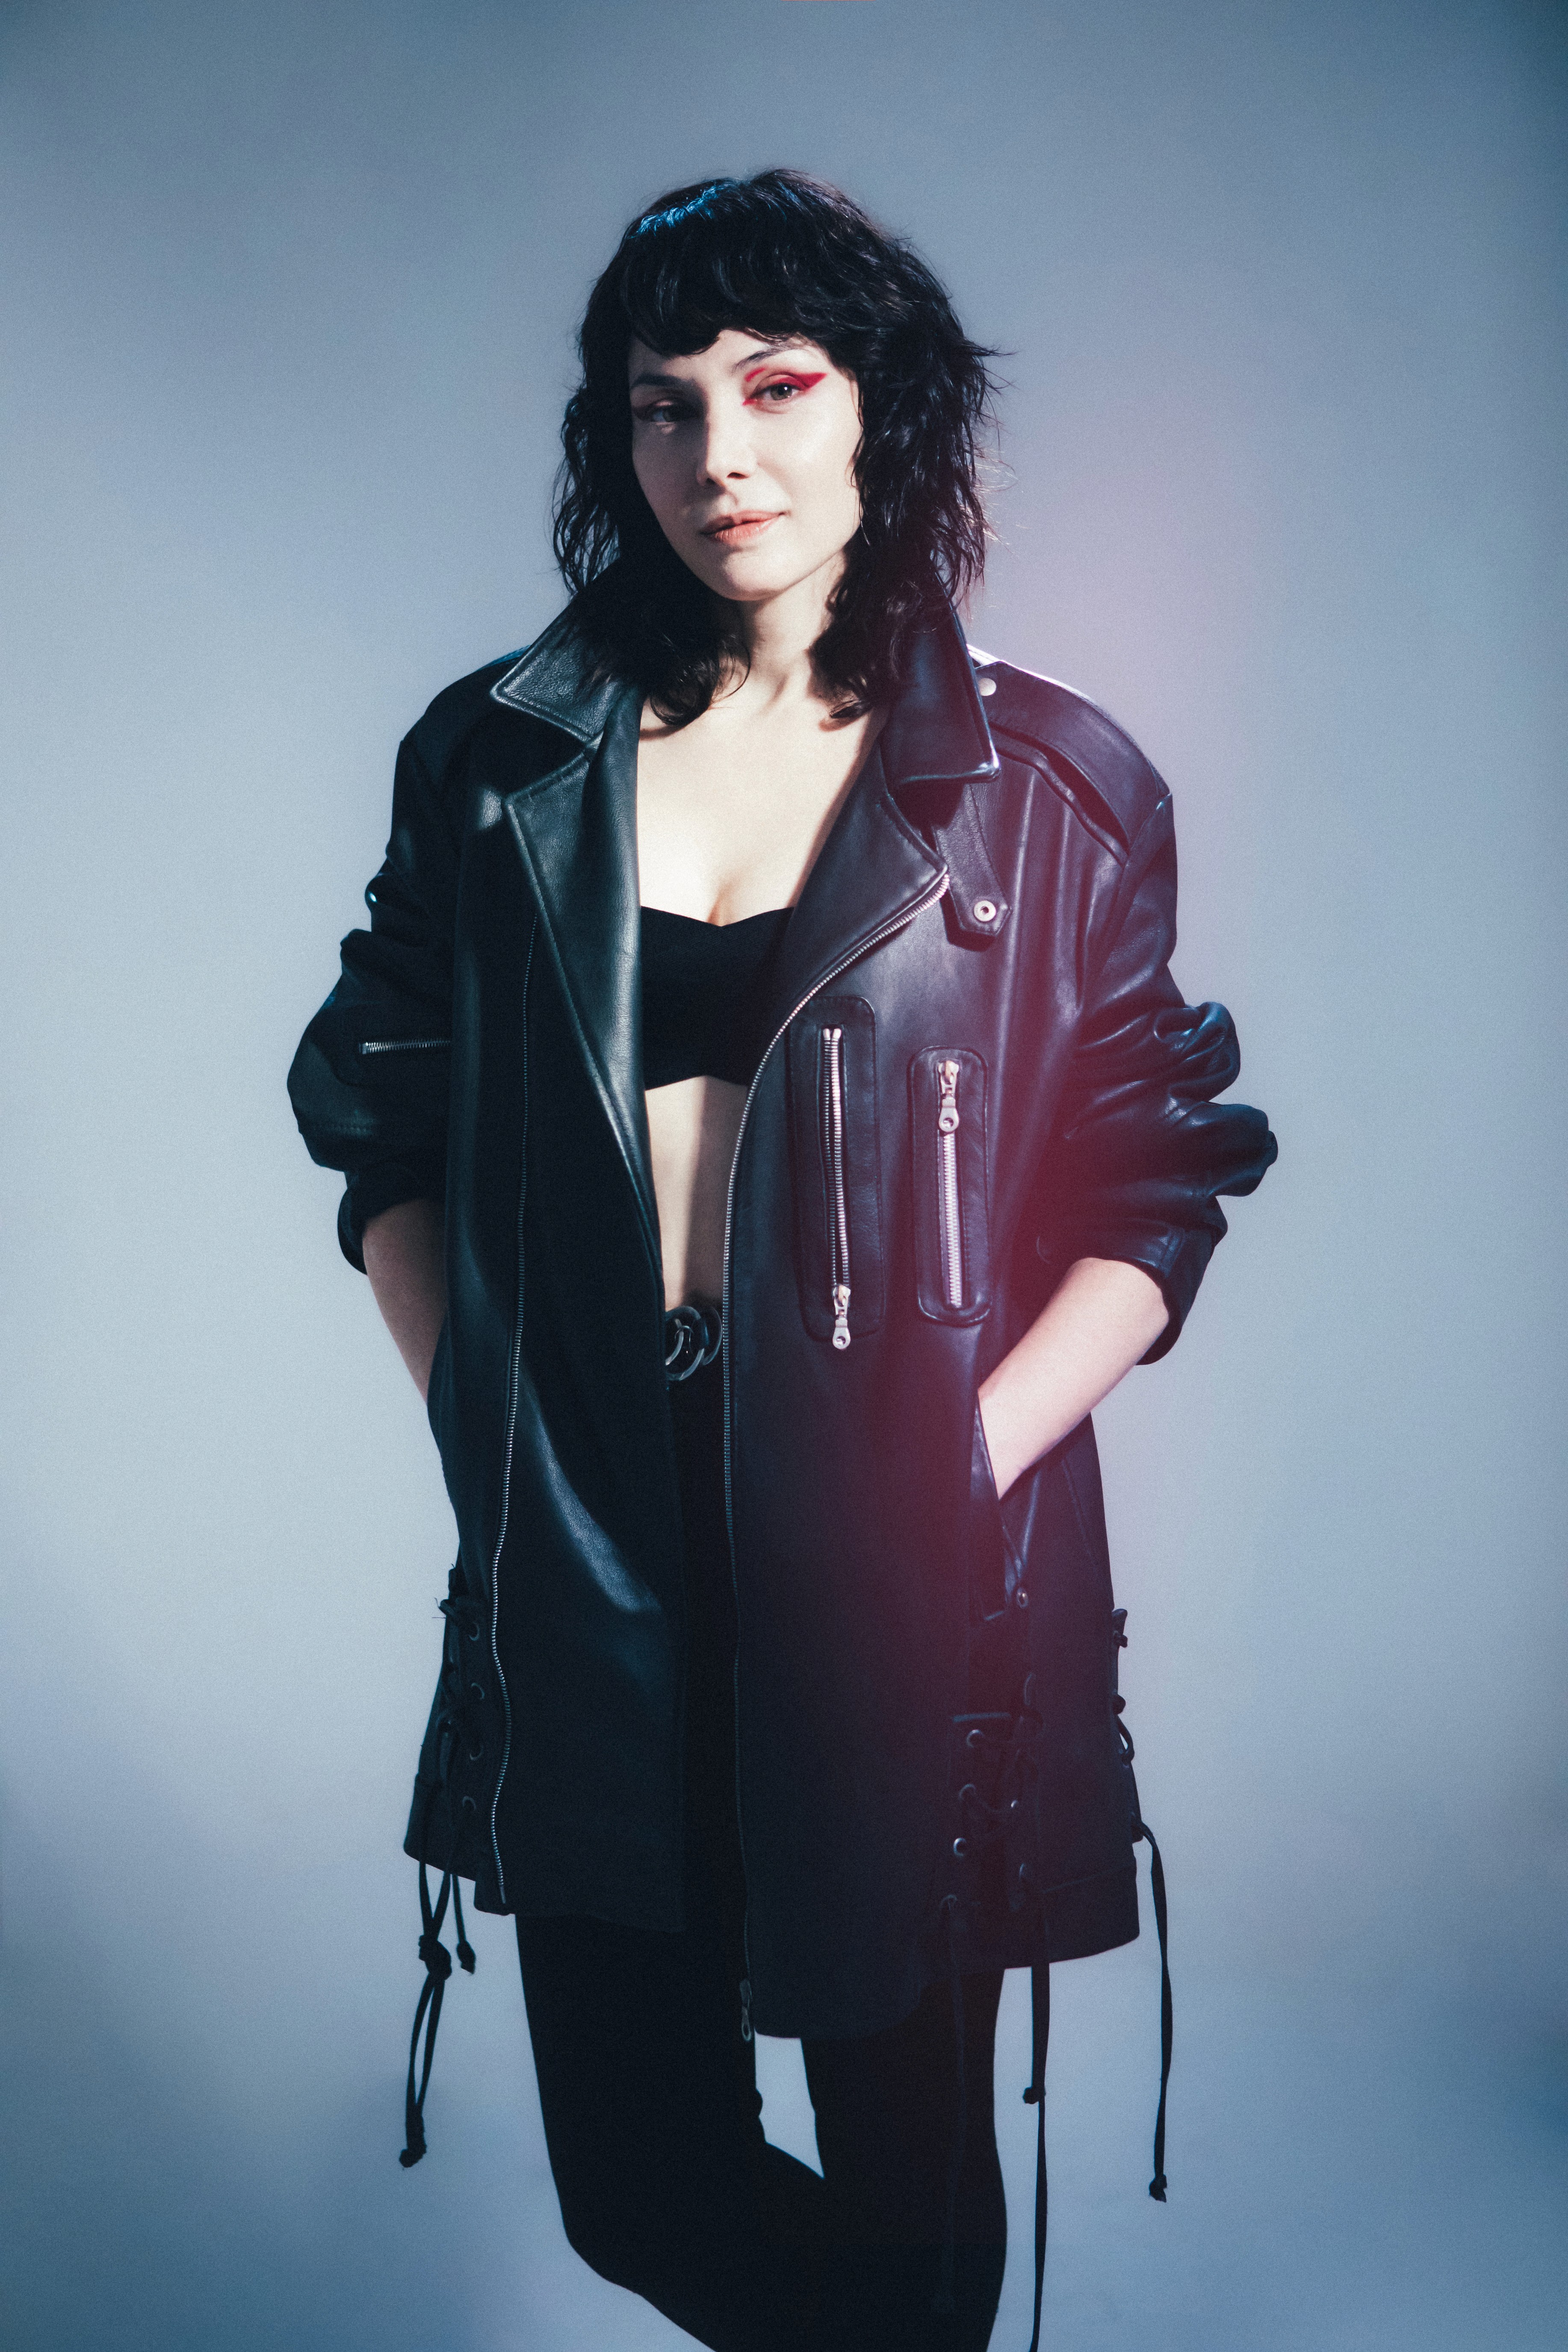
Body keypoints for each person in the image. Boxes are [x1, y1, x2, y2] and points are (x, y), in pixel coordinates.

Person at [288, 169, 1276, 2352]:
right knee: (636, 2187)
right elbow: (379, 1117)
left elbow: (1157, 1178)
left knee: (910, 2203)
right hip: (588, 1537)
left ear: (877, 410)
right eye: (662, 404)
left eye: (775, 385)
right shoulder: (499, 759)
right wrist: (484, 1412)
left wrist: (956, 1456)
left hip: (904, 1554)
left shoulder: (1048, 787)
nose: (715, 453)